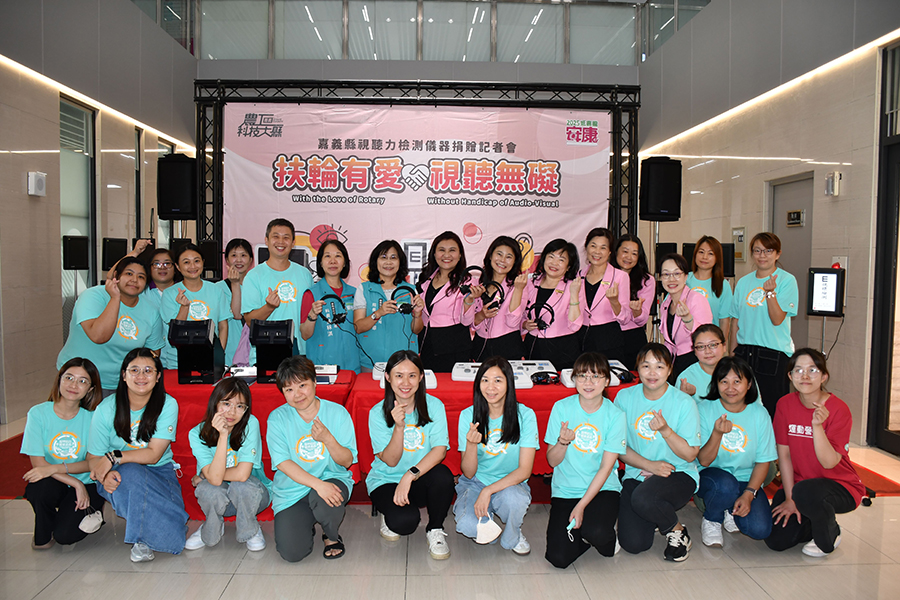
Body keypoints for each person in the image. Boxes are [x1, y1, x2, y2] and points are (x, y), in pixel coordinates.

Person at [87, 348, 187, 562]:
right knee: (130, 474)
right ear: (124, 375)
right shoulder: (105, 409)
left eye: (148, 370)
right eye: (134, 370)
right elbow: (93, 458)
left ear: (158, 377)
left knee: (173, 534)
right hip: (117, 473)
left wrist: (114, 456)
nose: (141, 376)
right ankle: (141, 540)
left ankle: (155, 529)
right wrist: (105, 475)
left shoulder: (167, 404)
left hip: (159, 472)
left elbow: (153, 455)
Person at [765, 348, 865, 557]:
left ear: (824, 376)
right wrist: (790, 499)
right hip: (799, 485)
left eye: (812, 370)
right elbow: (784, 455)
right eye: (798, 370)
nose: (805, 376)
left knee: (807, 493)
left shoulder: (838, 409)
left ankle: (831, 533)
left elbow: (829, 463)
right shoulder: (785, 404)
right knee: (776, 540)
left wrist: (817, 426)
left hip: (839, 485)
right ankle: (812, 518)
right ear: (790, 376)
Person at [266, 356, 357, 562]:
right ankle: (307, 521)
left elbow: (346, 461)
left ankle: (330, 535)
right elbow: (283, 463)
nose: (297, 394)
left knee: (325, 501)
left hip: (331, 479)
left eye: (302, 385)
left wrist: (328, 439)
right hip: (293, 489)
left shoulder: (337, 413)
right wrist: (317, 485)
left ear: (315, 382)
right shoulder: (277, 418)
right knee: (292, 553)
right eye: (289, 389)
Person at [616, 343, 701, 562]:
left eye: (659, 366)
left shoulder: (684, 402)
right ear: (637, 368)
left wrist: (665, 430)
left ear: (670, 370)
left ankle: (677, 530)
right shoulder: (624, 397)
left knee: (644, 498)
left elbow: (690, 455)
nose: (652, 373)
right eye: (646, 366)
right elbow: (618, 447)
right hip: (637, 473)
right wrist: (649, 465)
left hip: (677, 473)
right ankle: (654, 513)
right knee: (634, 544)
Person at [366, 350, 454, 560]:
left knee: (443, 476)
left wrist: (410, 475)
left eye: (412, 375)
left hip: (417, 478)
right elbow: (391, 460)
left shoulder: (434, 406)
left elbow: (440, 451)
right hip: (386, 480)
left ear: (421, 377)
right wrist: (398, 427)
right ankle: (389, 511)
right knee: (404, 523)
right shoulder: (377, 413)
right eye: (399, 375)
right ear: (387, 377)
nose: (405, 383)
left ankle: (435, 529)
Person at [544, 352, 627, 569]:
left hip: (602, 488)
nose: (588, 383)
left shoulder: (615, 415)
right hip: (566, 489)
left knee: (598, 534)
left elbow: (606, 468)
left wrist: (581, 506)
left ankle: (602, 532)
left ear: (607, 381)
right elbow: (552, 461)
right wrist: (562, 442)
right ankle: (584, 534)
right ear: (574, 379)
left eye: (596, 376)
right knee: (558, 559)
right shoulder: (562, 408)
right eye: (582, 376)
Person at [454, 357, 538, 554]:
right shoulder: (468, 415)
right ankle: (487, 521)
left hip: (510, 484)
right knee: (467, 525)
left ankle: (513, 533)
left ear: (509, 383)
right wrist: (471, 444)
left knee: (514, 500)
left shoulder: (525, 415)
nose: (490, 387)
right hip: (475, 482)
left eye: (498, 380)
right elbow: (468, 472)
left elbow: (525, 470)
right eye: (485, 380)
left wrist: (488, 491)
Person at [21, 358, 105, 549]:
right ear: (59, 380)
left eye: (82, 381)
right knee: (39, 487)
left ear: (90, 389)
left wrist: (72, 478)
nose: (73, 385)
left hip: (88, 482)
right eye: (69, 378)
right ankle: (44, 530)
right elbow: (39, 465)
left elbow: (92, 463)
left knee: (65, 536)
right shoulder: (38, 413)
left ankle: (89, 511)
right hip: (56, 481)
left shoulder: (93, 419)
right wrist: (75, 483)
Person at [696, 356, 776, 547]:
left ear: (749, 384)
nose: (730, 388)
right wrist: (717, 434)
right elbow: (704, 461)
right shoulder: (704, 409)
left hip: (745, 480)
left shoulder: (760, 414)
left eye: (737, 382)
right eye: (724, 381)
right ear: (716, 384)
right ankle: (713, 518)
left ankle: (729, 508)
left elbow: (763, 461)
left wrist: (749, 494)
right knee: (725, 486)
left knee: (760, 529)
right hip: (712, 479)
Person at [56, 257, 165, 394]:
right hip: (78, 379)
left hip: (121, 383)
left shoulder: (151, 311)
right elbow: (98, 336)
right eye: (129, 274)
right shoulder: (93, 296)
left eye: (141, 277)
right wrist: (115, 298)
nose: (134, 280)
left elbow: (153, 352)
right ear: (116, 276)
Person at [186, 378, 271, 552]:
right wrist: (223, 435)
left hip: (254, 496)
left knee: (241, 485)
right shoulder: (197, 433)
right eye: (226, 403)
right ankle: (212, 526)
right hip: (222, 499)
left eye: (240, 406)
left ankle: (250, 528)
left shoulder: (250, 424)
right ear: (215, 403)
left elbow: (242, 475)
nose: (232, 412)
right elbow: (216, 482)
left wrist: (206, 475)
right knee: (208, 488)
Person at [729, 232, 799, 417]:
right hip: (744, 352)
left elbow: (777, 319)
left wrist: (770, 293)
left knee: (771, 409)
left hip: (773, 354)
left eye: (768, 251)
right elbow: (735, 321)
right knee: (742, 406)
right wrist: (732, 354)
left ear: (777, 254)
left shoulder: (786, 280)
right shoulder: (743, 282)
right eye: (757, 250)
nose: (762, 255)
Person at [241, 218, 313, 363]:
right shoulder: (254, 276)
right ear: (266, 240)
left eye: (286, 237)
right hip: (265, 351)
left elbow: (309, 315)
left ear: (293, 243)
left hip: (300, 352)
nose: (281, 242)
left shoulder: (305, 274)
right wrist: (269, 307)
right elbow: (249, 321)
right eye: (276, 236)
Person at [510, 239, 583, 370]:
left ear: (569, 266)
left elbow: (575, 325)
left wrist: (573, 295)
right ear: (543, 259)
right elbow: (519, 315)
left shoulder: (574, 286)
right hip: (533, 346)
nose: (554, 263)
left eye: (561, 260)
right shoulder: (530, 283)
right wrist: (525, 324)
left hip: (563, 349)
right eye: (551, 257)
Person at [353, 241, 424, 370]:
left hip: (404, 362)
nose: (388, 262)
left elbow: (416, 330)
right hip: (371, 361)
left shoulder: (410, 290)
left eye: (393, 257)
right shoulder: (364, 289)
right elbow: (358, 327)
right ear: (375, 261)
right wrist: (378, 313)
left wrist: (418, 314)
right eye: (384, 257)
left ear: (400, 262)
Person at [160, 242, 230, 369]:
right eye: (186, 262)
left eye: (196, 261)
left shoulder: (216, 290)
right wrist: (184, 307)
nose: (192, 266)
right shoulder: (169, 293)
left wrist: (218, 354)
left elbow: (223, 326)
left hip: (210, 360)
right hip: (178, 362)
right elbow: (176, 332)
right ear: (178, 267)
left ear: (203, 262)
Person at [299, 239, 361, 373]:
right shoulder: (311, 294)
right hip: (323, 368)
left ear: (345, 263)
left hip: (353, 366)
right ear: (320, 262)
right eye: (327, 256)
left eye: (338, 256)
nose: (333, 261)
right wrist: (312, 315)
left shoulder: (355, 293)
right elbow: (304, 334)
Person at [462, 236, 526, 362]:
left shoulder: (519, 285)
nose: (502, 260)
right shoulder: (478, 283)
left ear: (515, 262)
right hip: (480, 346)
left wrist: (518, 289)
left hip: (508, 346)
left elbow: (513, 322)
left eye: (509, 257)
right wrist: (481, 314)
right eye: (499, 254)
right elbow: (467, 321)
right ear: (490, 256)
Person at [415, 231, 471, 372]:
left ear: (460, 255)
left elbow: (467, 321)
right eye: (441, 250)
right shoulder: (425, 279)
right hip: (426, 345)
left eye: (452, 250)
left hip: (454, 347)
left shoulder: (467, 282)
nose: (446, 255)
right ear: (434, 254)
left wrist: (469, 301)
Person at [577, 228, 630, 363]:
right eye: (593, 246)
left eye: (603, 248)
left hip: (608, 339)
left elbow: (625, 318)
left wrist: (614, 301)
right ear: (586, 247)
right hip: (580, 338)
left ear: (610, 252)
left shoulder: (620, 276)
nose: (597, 252)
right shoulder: (578, 275)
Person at [658, 253, 713, 382]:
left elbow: (706, 336)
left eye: (677, 274)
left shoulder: (696, 299)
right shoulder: (666, 303)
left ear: (686, 276)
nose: (671, 279)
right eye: (666, 274)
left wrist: (688, 319)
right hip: (674, 362)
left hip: (694, 362)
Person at [611, 234, 654, 370]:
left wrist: (637, 311)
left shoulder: (646, 280)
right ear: (615, 252)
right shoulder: (605, 276)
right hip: (607, 335)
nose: (629, 257)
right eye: (625, 251)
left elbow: (643, 319)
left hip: (632, 337)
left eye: (634, 253)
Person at [686, 236, 733, 345]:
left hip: (709, 344)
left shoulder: (723, 284)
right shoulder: (684, 279)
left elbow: (724, 320)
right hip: (685, 343)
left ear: (717, 258)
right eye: (701, 252)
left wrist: (722, 345)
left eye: (710, 253)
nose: (705, 257)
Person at [216, 238, 254, 366]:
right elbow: (236, 314)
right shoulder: (218, 289)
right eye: (233, 255)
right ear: (226, 260)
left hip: (252, 351)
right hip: (228, 351)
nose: (238, 260)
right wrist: (235, 284)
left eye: (243, 255)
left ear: (251, 260)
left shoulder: (256, 286)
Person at [678, 324, 727, 404]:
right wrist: (686, 397)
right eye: (701, 347)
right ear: (694, 351)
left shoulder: (737, 371)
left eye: (713, 345)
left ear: (724, 346)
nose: (708, 351)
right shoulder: (685, 379)